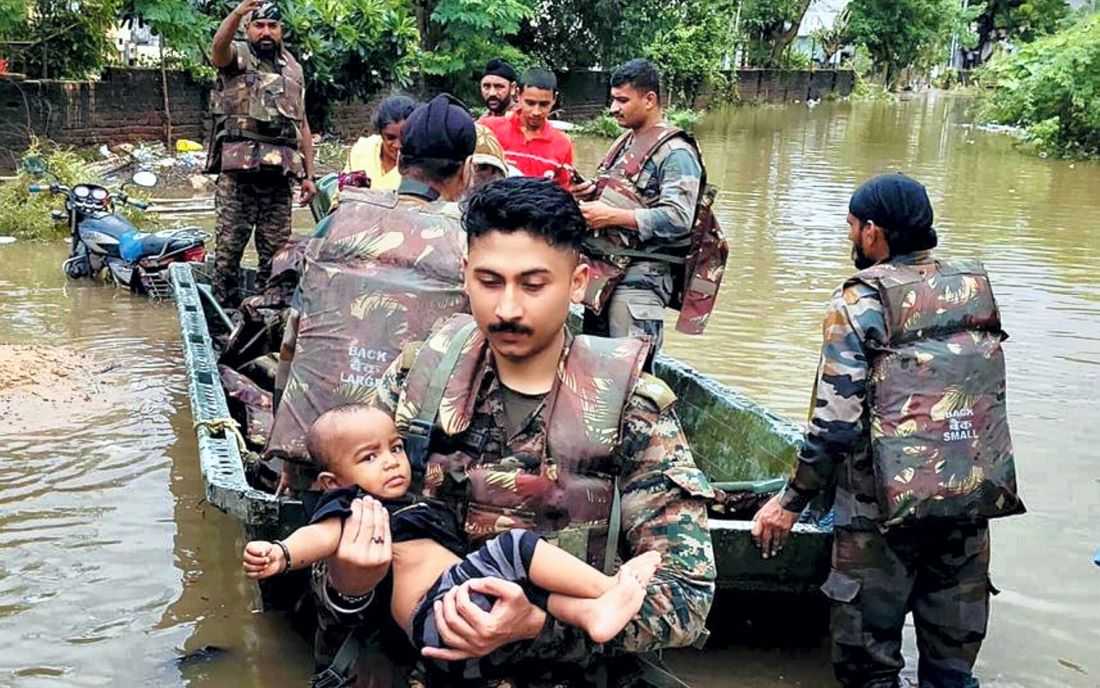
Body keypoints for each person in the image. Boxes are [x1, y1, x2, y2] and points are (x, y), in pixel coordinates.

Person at [319, 177, 716, 682]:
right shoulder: (418, 380)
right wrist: (348, 582)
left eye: (533, 285)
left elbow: (685, 600)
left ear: (578, 282)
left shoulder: (631, 408)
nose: (507, 309)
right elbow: (332, 533)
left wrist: (537, 624)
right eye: (489, 282)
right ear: (464, 275)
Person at [752, 173, 1025, 688]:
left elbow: (835, 424)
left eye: (852, 227)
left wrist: (789, 502)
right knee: (952, 666)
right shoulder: (970, 285)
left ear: (873, 233)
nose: (851, 237)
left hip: (878, 511)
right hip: (966, 495)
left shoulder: (859, 301)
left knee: (868, 665)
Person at [246, 404, 662, 679]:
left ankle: (593, 615)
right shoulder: (356, 507)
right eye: (369, 457)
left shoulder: (410, 503)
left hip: (453, 610)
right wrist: (282, 554)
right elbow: (319, 536)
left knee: (529, 588)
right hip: (437, 610)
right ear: (332, 483)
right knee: (516, 545)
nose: (392, 461)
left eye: (394, 448)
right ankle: (611, 588)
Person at [268, 94, 476, 493]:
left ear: (399, 160)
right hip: (408, 466)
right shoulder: (473, 242)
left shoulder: (338, 220)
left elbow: (292, 345)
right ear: (466, 171)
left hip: (318, 454)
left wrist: (289, 458)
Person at [574, 59, 706, 359]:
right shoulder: (624, 143)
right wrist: (590, 191)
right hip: (605, 275)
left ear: (649, 100)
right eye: (613, 99)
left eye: (622, 100)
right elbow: (627, 193)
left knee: (632, 375)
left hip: (641, 279)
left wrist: (611, 216)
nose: (613, 108)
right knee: (595, 367)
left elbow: (679, 217)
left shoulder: (676, 153)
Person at [207, 0, 318, 307]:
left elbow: (303, 125)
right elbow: (218, 48)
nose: (266, 32)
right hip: (238, 180)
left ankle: (265, 321)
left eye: (273, 26)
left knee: (277, 260)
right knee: (228, 256)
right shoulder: (236, 57)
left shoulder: (293, 69)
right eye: (259, 25)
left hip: (278, 182)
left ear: (281, 30)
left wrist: (309, 177)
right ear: (248, 29)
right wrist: (237, 13)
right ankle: (220, 325)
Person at [481, 68, 575, 189]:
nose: (536, 112)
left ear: (554, 99)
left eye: (544, 104)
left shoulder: (563, 144)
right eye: (530, 103)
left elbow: (563, 192)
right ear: (518, 94)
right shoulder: (489, 130)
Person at [344, 95, 418, 191]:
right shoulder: (361, 150)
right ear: (380, 133)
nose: (398, 145)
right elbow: (343, 193)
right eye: (390, 137)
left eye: (405, 137)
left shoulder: (422, 163)